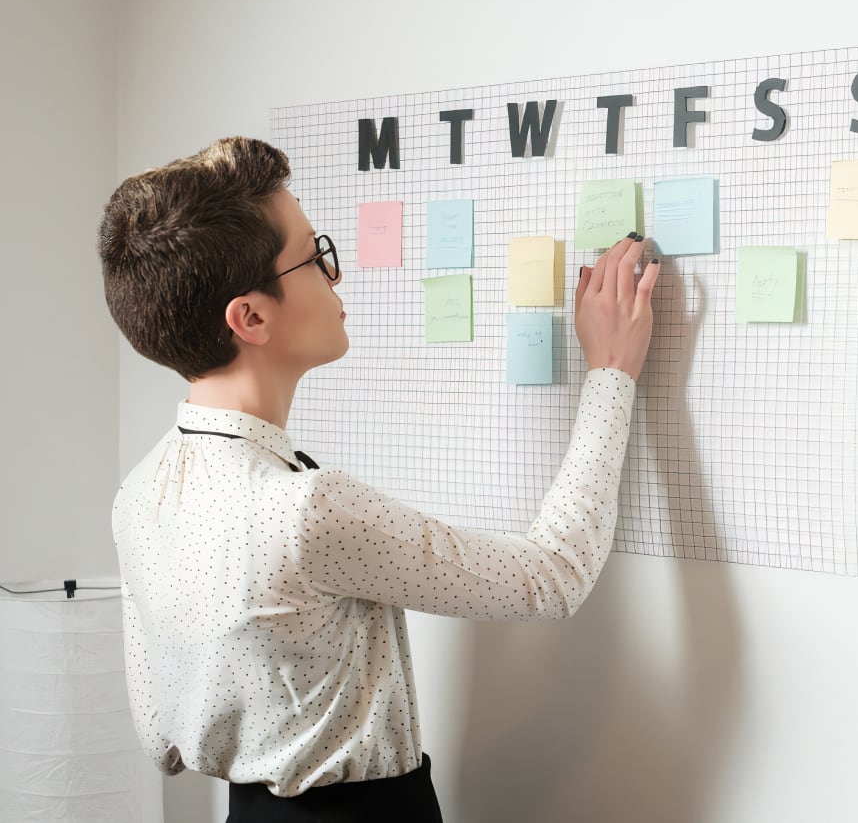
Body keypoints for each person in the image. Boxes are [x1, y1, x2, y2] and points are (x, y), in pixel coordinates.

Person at [98, 136, 660, 822]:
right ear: (251, 317)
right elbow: (552, 578)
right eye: (313, 258)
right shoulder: (301, 508)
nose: (334, 277)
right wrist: (611, 372)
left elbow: (161, 739)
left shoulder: (139, 494)